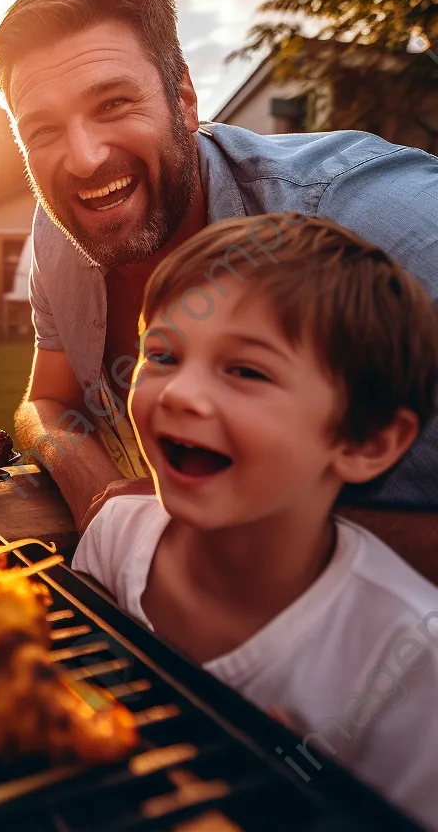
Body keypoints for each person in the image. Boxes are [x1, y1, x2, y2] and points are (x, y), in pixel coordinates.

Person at [0, 0, 438, 535]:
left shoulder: (375, 219)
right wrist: (102, 495)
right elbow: (47, 404)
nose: (85, 159)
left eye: (114, 102)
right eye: (42, 129)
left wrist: (224, 532)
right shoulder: (59, 226)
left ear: (184, 98)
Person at [72, 213, 438, 830]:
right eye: (161, 355)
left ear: (366, 439)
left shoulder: (411, 665)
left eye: (245, 370)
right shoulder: (114, 537)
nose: (181, 393)